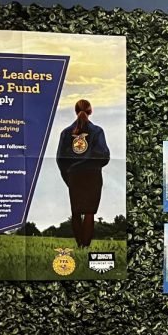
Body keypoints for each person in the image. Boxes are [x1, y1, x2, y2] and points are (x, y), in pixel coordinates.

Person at [55, 99, 111, 249]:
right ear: (90, 111)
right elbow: (104, 154)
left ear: (75, 111)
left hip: (74, 175)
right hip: (93, 174)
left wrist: (69, 177)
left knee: (76, 211)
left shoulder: (66, 133)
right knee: (89, 212)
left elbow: (60, 158)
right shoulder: (97, 131)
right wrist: (95, 165)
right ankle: (85, 247)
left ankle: (79, 244)